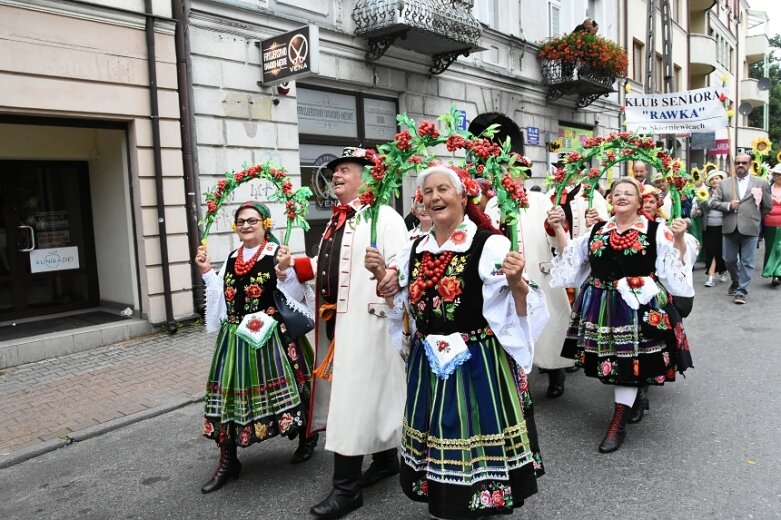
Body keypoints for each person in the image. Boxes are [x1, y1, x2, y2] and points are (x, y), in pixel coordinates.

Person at [367, 164, 547, 519]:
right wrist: (381, 278)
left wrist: (516, 282)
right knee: (441, 432)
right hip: (430, 360)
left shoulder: (489, 244)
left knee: (473, 432)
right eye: (428, 192)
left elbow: (522, 303)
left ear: (464, 196)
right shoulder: (414, 249)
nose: (435, 197)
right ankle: (450, 502)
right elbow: (402, 307)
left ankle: (478, 502)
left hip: (476, 360)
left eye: (443, 189)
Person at [277, 147, 408, 519]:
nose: (336, 175)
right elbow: (328, 264)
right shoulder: (340, 219)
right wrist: (294, 266)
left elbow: (402, 263)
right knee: (366, 398)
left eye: (345, 170)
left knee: (352, 402)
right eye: (335, 170)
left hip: (370, 326)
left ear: (366, 176)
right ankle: (385, 462)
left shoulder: (384, 216)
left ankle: (346, 491)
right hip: (339, 325)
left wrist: (388, 275)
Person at [548, 177, 696, 453]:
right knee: (618, 363)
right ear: (610, 200)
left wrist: (678, 238)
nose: (622, 196)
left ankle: (617, 422)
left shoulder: (656, 229)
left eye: (629, 193)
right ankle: (635, 397)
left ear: (641, 202)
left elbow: (677, 262)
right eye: (617, 193)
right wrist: (558, 227)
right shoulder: (597, 230)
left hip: (639, 304)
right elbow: (571, 258)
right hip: (602, 304)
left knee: (629, 366)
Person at [194, 201, 318, 494]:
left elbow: (295, 297)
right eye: (241, 221)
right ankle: (228, 460)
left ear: (266, 225)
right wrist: (206, 271)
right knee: (227, 399)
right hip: (235, 338)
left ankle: (306, 436)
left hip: (273, 336)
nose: (246, 225)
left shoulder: (278, 254)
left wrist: (286, 272)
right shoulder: (232, 256)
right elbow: (223, 296)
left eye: (252, 220)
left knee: (294, 389)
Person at [711, 153, 772, 304]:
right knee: (729, 260)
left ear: (750, 164)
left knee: (747, 261)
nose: (741, 165)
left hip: (750, 228)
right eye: (738, 163)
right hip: (730, 226)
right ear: (734, 164)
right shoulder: (724, 183)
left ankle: (741, 291)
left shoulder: (761, 183)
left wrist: (755, 217)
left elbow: (767, 206)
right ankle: (736, 281)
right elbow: (713, 203)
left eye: (744, 163)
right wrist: (728, 206)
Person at [691, 170, 728, 287]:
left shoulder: (727, 193)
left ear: (721, 179)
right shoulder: (703, 193)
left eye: (717, 178)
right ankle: (717, 273)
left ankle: (716, 273)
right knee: (710, 251)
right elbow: (702, 210)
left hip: (723, 226)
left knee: (719, 251)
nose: (714, 181)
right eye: (712, 179)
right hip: (708, 226)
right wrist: (697, 212)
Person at [761, 164, 781, 286]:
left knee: (780, 248)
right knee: (770, 248)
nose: (779, 176)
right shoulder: (767, 189)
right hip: (769, 224)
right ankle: (771, 271)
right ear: (773, 175)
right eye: (777, 174)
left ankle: (777, 274)